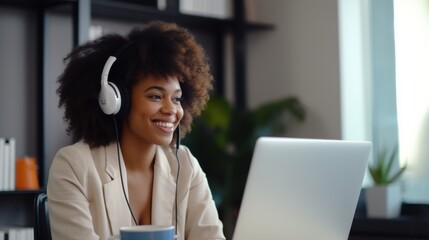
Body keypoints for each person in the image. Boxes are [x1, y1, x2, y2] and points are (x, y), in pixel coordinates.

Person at [47, 21, 226, 240]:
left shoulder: (185, 165)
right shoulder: (74, 166)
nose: (171, 110)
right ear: (116, 101)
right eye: (155, 96)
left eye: (176, 98)